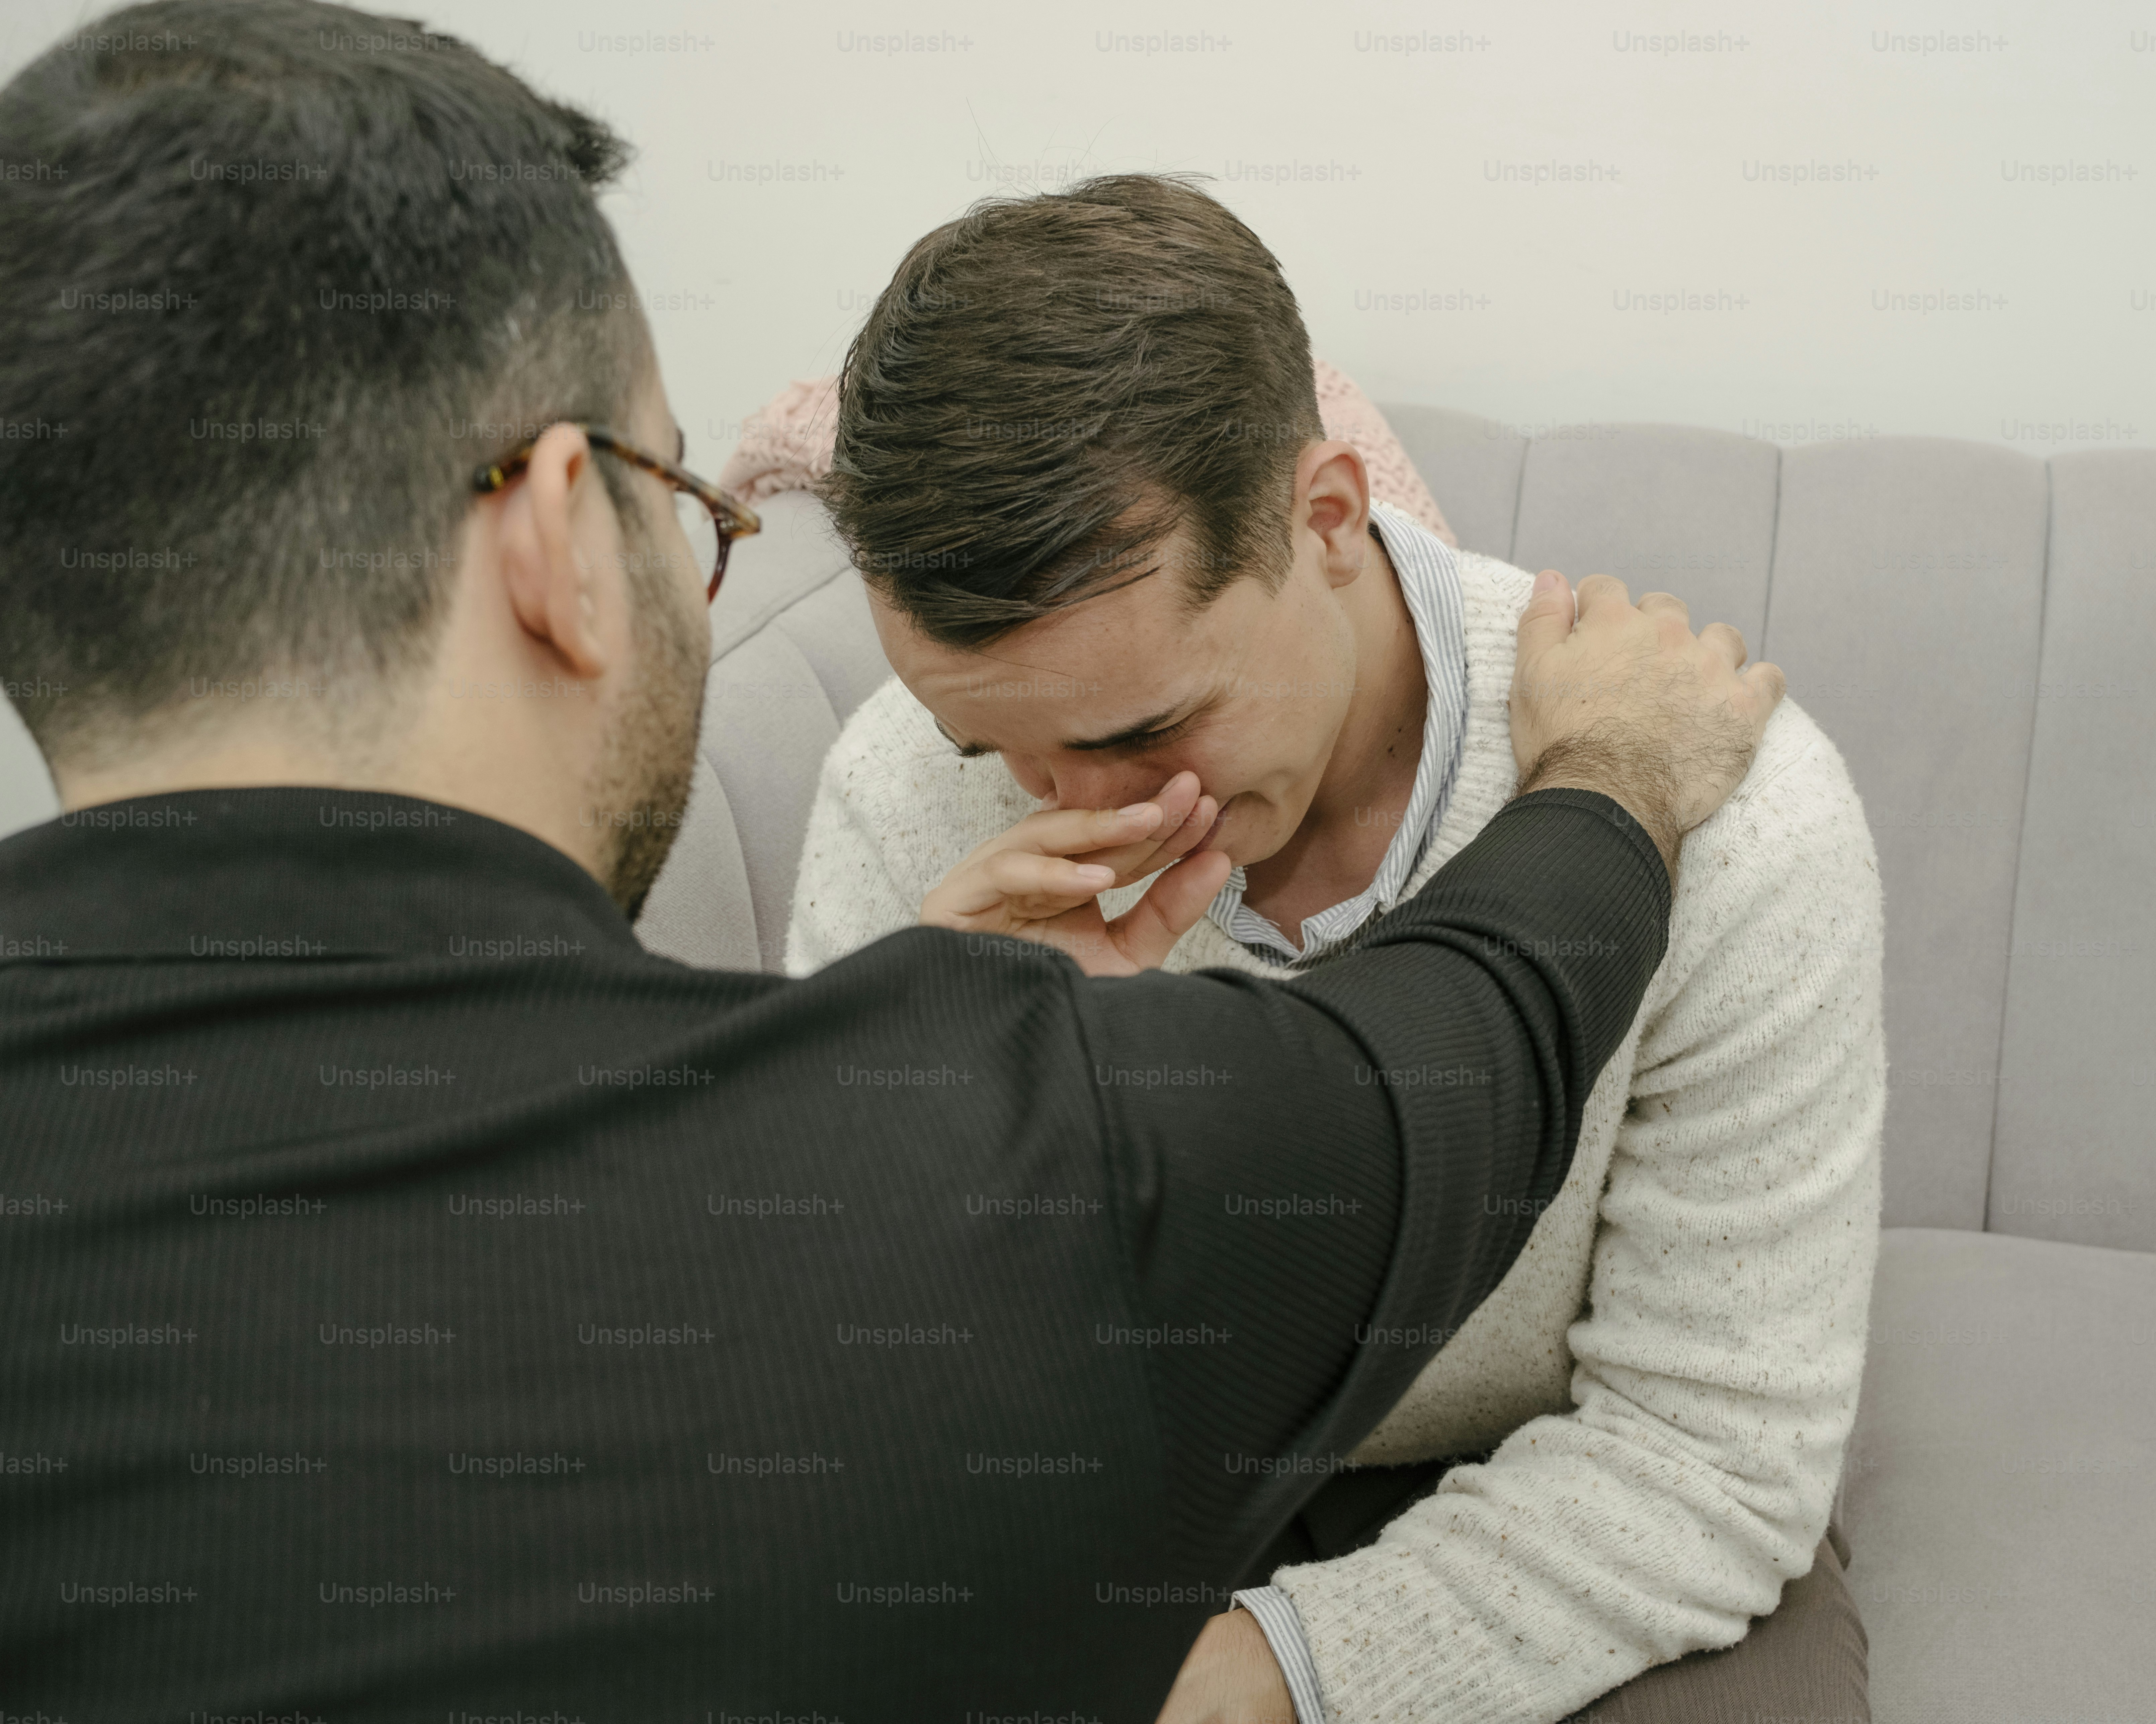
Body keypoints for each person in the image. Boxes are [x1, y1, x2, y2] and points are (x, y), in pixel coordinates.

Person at [0, 5, 1785, 1718]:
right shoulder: (950, 1192)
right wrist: (1620, 768)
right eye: (683, 503)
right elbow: (1467, 1055)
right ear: (561, 534)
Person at [788, 175, 1886, 1723]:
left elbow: (1707, 1455)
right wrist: (948, 1112)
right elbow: (852, 1405)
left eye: (1148, 724)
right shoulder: (906, 787)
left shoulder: (1733, 819)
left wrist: (1267, 1676)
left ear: (1327, 518)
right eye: (996, 746)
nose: (1087, 805)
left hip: (1570, 1479)